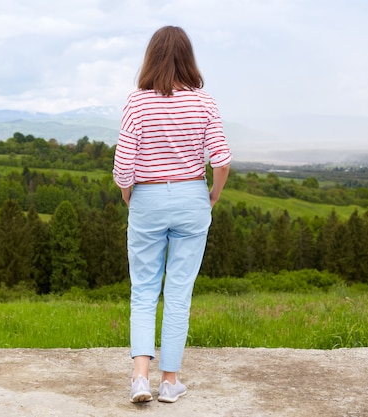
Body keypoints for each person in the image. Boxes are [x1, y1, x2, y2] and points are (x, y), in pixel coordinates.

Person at [112, 25, 232, 404]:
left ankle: (140, 379)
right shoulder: (204, 102)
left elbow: (122, 166)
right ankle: (170, 382)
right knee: (178, 293)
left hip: (147, 199)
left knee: (144, 291)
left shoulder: (137, 102)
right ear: (188, 58)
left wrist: (130, 195)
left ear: (151, 58)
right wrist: (211, 196)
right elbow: (223, 160)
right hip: (192, 198)